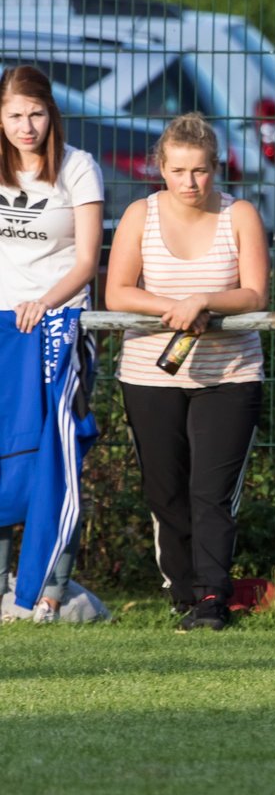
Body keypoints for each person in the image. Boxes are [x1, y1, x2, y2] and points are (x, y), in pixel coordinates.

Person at [105, 112, 269, 632]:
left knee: (210, 492)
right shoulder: (140, 214)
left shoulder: (240, 214)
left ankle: (214, 598)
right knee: (166, 491)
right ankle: (183, 594)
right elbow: (117, 292)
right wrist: (173, 307)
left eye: (199, 171)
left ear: (215, 168)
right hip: (150, 373)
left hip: (231, 374)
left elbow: (256, 294)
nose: (189, 182)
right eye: (178, 171)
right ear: (160, 168)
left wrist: (205, 300)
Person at [0, 65, 103, 623]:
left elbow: (87, 260)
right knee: (2, 457)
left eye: (35, 112)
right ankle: (2, 592)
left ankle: (47, 594)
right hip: (1, 331)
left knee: (55, 459)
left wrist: (43, 301)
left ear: (51, 112)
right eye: (14, 115)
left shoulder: (79, 168)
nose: (26, 125)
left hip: (59, 325)